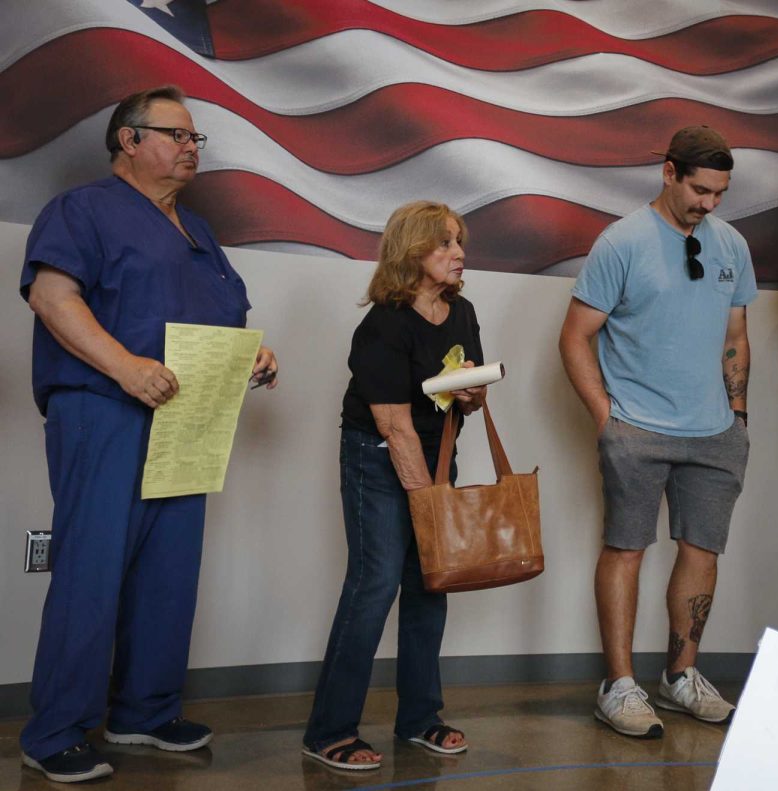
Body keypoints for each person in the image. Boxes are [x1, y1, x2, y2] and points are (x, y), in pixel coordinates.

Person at [17, 85, 278, 784]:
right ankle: (55, 731)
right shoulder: (83, 209)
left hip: (188, 419)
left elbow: (221, 315)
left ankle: (144, 710)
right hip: (105, 409)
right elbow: (52, 296)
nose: (192, 148)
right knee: (91, 571)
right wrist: (126, 368)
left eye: (197, 139)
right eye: (177, 134)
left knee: (168, 573)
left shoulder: (200, 232)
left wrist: (252, 354)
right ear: (128, 141)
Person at [559, 126, 755, 738]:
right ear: (669, 172)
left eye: (720, 193)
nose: (709, 204)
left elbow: (735, 336)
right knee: (626, 548)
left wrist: (739, 414)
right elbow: (574, 336)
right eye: (700, 189)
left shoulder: (731, 245)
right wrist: (606, 417)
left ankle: (680, 677)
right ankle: (618, 686)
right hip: (637, 427)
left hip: (715, 431)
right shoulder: (621, 242)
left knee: (702, 551)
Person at [302, 200, 486, 771]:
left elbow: (464, 392)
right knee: (375, 583)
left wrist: (475, 395)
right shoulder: (383, 323)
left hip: (435, 456)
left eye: (459, 242)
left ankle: (420, 719)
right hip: (378, 457)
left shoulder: (463, 311)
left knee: (432, 582)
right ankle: (329, 729)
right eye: (444, 245)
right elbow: (393, 424)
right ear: (412, 254)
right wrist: (427, 501)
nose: (459, 254)